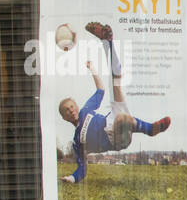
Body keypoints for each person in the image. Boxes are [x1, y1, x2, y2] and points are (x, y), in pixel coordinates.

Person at [58, 22, 171, 184]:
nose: (70, 110)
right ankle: (149, 129)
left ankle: (107, 42)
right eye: (66, 111)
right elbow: (82, 169)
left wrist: (93, 70)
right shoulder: (77, 141)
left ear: (75, 106)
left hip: (112, 118)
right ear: (64, 118)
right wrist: (71, 178)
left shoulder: (85, 110)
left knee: (115, 82)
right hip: (115, 138)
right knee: (122, 119)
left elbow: (101, 90)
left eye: (71, 107)